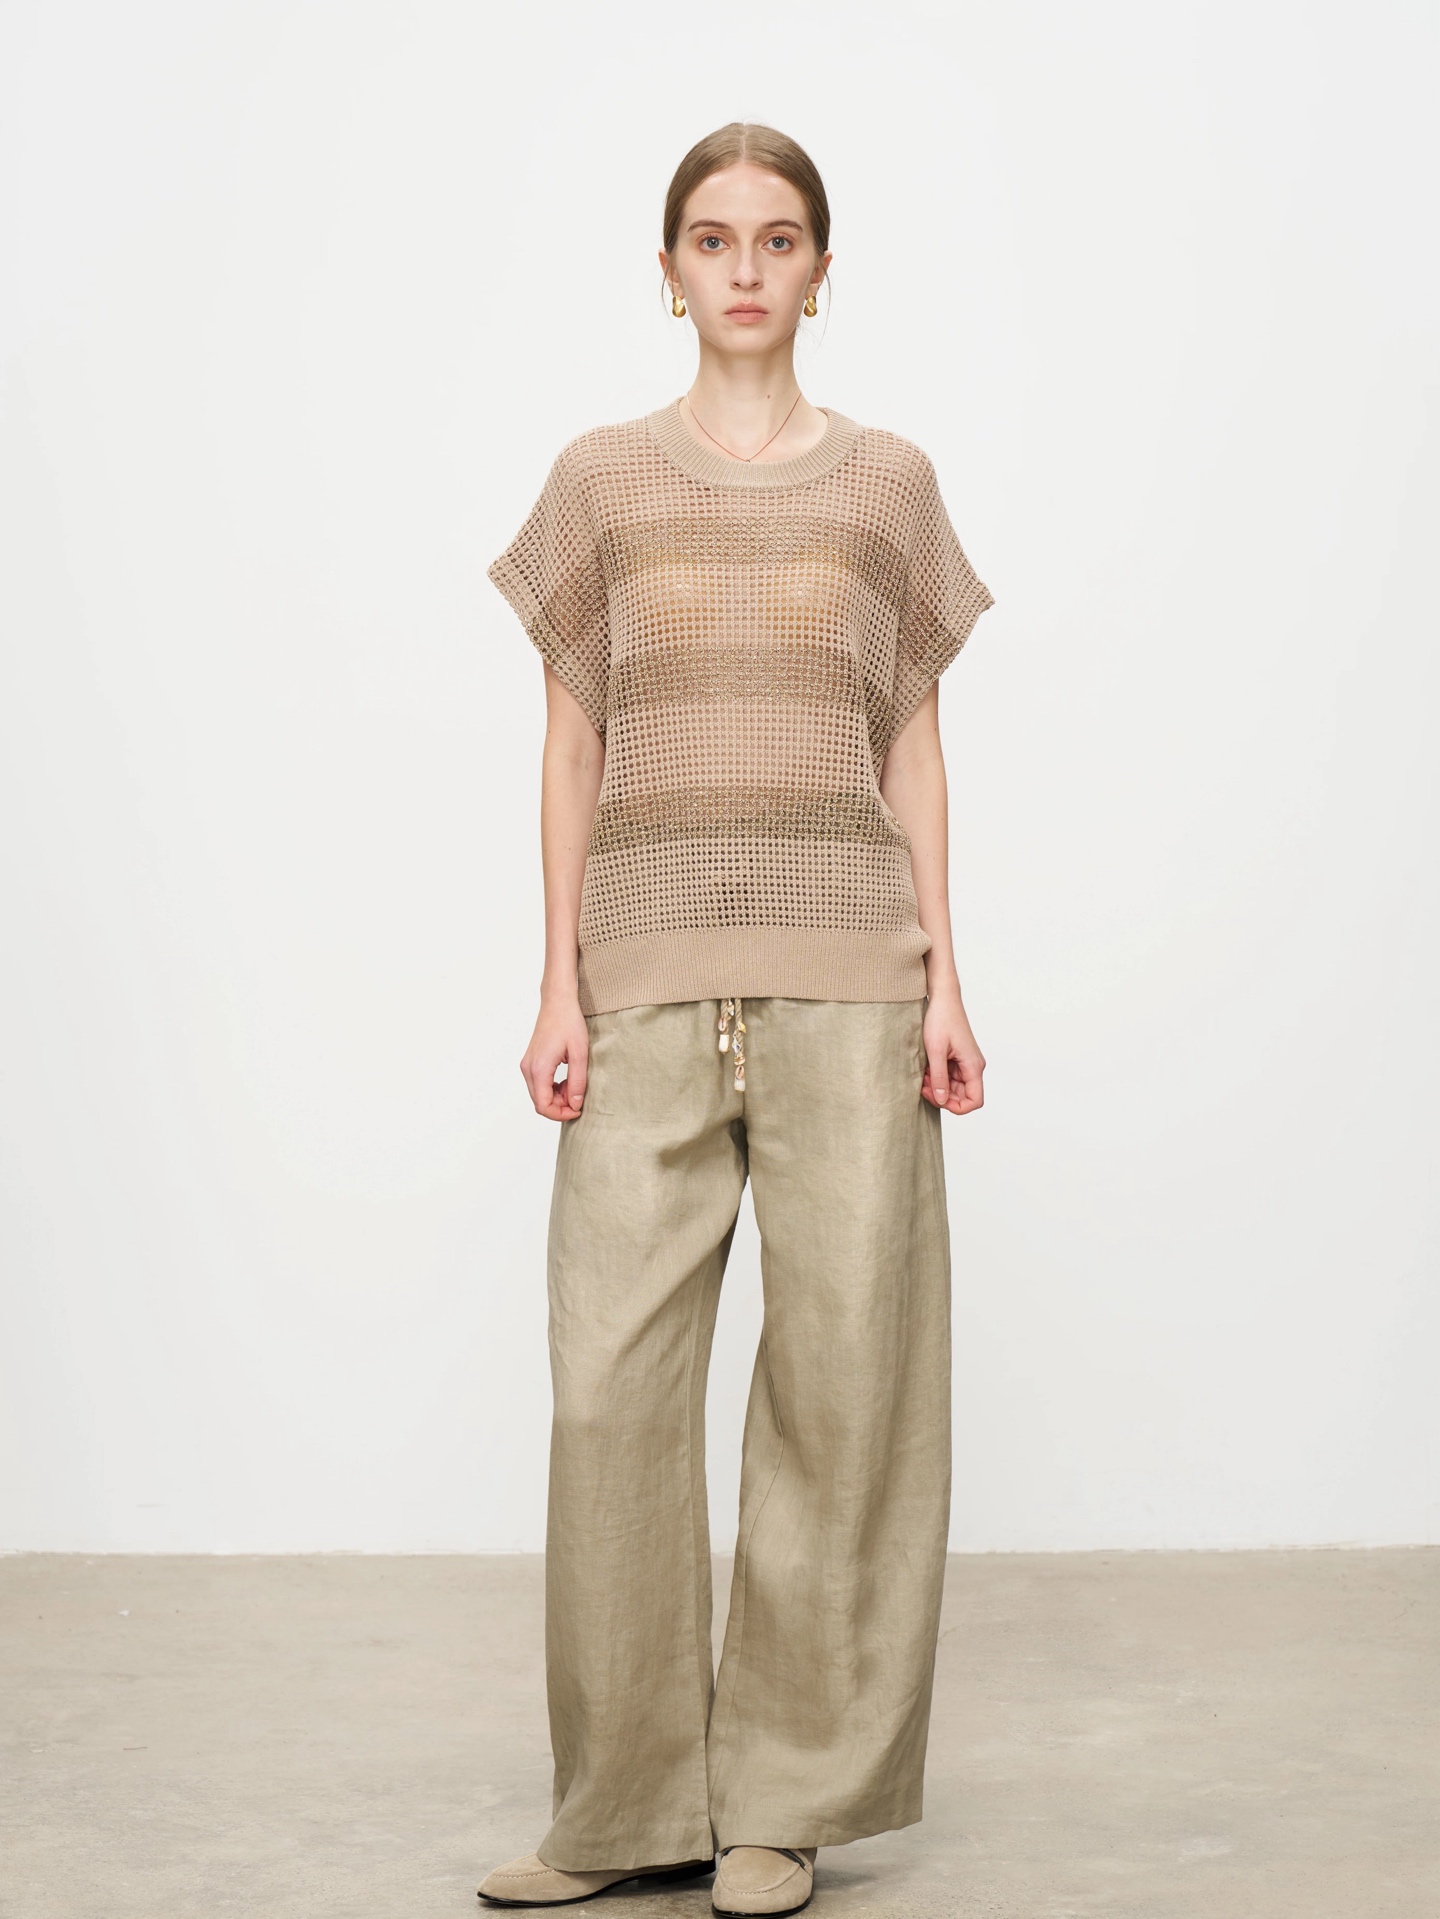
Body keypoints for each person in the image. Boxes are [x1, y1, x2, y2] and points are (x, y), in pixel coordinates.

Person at [478, 121, 995, 1918]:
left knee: (848, 1388)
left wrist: (948, 976)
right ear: (670, 270)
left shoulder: (890, 486)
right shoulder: (601, 483)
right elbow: (571, 745)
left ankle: (784, 1801)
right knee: (609, 1393)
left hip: (857, 980)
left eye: (779, 239)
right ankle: (620, 1806)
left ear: (822, 269)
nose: (748, 268)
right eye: (715, 239)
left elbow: (915, 746)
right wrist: (557, 979)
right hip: (639, 981)